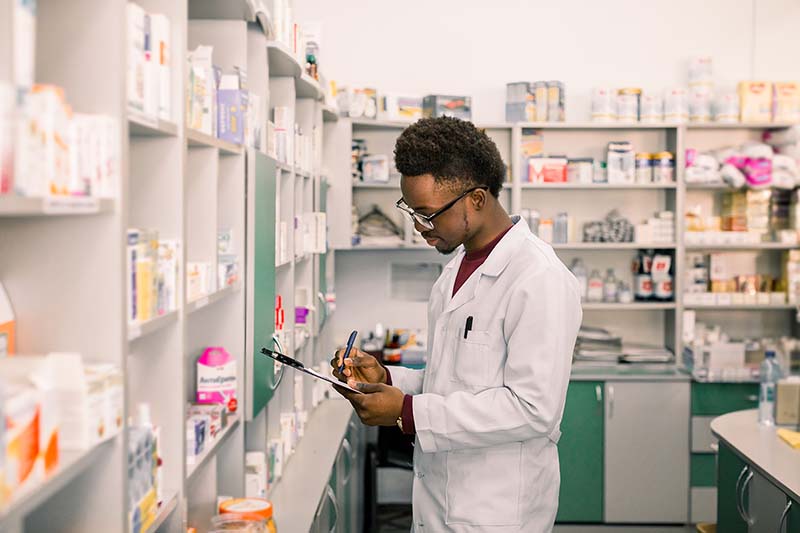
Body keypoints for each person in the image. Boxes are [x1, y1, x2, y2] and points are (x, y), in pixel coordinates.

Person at [331, 117, 582, 532]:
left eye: (427, 214)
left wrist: (408, 412)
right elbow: (457, 380)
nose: (417, 226)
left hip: (496, 511)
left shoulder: (539, 279)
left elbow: (534, 409)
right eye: (410, 211)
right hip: (438, 503)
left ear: (477, 199)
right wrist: (390, 378)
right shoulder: (454, 271)